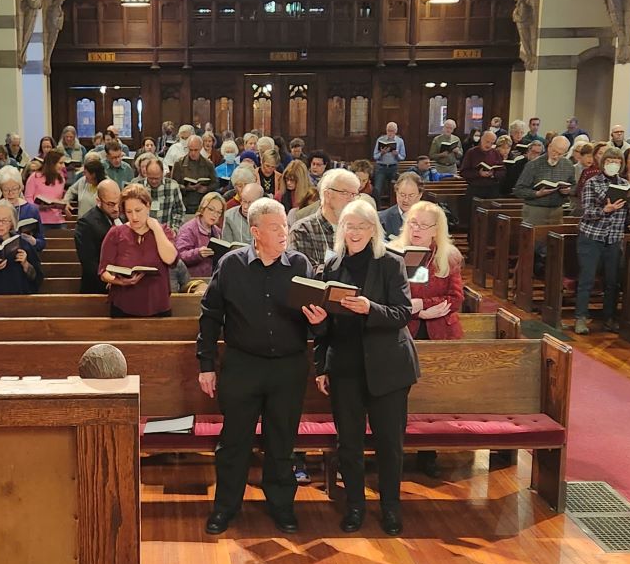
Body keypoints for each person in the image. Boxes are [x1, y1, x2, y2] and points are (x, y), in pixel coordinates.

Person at [197, 198, 323, 535]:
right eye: (276, 227)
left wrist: (320, 321)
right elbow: (210, 317)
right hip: (243, 367)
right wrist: (206, 364)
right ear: (255, 232)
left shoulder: (300, 265)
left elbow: (317, 325)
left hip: (287, 368)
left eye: (285, 225)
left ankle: (281, 507)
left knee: (281, 442)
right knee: (234, 443)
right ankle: (225, 508)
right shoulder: (232, 265)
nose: (285, 232)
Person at [312, 199, 418, 535]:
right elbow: (325, 328)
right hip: (345, 367)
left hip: (388, 367)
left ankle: (390, 508)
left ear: (373, 230)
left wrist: (369, 308)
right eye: (348, 225)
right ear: (340, 229)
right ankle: (355, 506)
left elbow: (402, 313)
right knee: (349, 444)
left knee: (389, 444)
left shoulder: (390, 263)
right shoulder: (331, 266)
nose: (354, 232)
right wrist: (320, 362)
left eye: (361, 226)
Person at [392, 199, 463, 476]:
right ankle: (396, 447)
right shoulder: (394, 253)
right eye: (413, 223)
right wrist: (419, 310)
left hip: (438, 333)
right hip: (404, 331)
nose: (417, 229)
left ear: (436, 230)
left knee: (431, 393)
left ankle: (428, 452)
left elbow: (455, 298)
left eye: (424, 225)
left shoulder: (449, 256)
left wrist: (425, 306)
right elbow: (392, 296)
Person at [574, 147, 630, 335]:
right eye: (610, 161)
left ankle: (609, 318)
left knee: (612, 282)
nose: (614, 165)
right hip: (592, 237)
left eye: (617, 162)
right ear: (603, 163)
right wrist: (605, 210)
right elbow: (586, 211)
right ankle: (580, 317)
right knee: (587, 279)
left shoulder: (624, 184)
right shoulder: (592, 182)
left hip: (614, 238)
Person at [98, 183, 177, 317]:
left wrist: (156, 228)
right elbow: (103, 271)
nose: (134, 217)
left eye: (138, 210)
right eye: (129, 212)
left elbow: (170, 259)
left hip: (157, 305)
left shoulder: (163, 231)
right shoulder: (116, 233)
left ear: (148, 206)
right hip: (124, 306)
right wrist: (119, 281)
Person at [289, 168, 360, 267]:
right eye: (345, 193)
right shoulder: (303, 230)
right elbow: (304, 274)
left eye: (354, 194)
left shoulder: (359, 230)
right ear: (327, 195)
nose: (351, 200)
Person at [513, 136, 575, 224]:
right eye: (554, 151)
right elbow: (519, 190)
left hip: (557, 211)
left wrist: (569, 190)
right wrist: (537, 193)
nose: (556, 156)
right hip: (535, 211)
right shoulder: (533, 165)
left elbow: (574, 186)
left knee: (555, 237)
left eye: (560, 154)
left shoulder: (568, 165)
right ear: (549, 147)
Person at [74, 179, 122, 293]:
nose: (116, 208)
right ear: (98, 201)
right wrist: (110, 279)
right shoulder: (86, 224)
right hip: (98, 287)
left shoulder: (122, 216)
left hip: (121, 285)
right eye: (110, 204)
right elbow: (90, 263)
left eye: (118, 202)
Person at [0, 200, 43, 294]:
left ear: (12, 223)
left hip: (18, 297)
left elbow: (37, 278)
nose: (0, 224)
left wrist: (25, 264)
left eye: (5, 220)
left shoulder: (24, 244)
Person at [175, 192, 225, 278]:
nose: (215, 215)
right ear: (202, 208)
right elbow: (179, 256)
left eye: (219, 212)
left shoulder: (217, 231)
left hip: (212, 277)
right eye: (211, 209)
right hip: (191, 279)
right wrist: (197, 253)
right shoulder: (188, 229)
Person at [0, 166, 45, 252]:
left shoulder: (31, 210)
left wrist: (33, 241)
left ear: (20, 188)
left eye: (14, 189)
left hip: (26, 257)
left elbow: (41, 243)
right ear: (1, 189)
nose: (11, 193)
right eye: (6, 190)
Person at [459, 131, 501, 226]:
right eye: (487, 141)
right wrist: (479, 173)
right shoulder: (471, 152)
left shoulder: (495, 153)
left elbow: (502, 171)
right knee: (473, 219)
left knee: (491, 219)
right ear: (481, 139)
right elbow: (464, 172)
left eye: (492, 142)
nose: (489, 144)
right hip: (475, 189)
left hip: (491, 190)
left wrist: (493, 173)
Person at [172, 135, 218, 214]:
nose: (193, 153)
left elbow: (216, 183)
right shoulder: (179, 163)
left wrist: (206, 188)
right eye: (191, 150)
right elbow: (173, 184)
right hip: (184, 202)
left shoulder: (208, 164)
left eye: (196, 150)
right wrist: (186, 188)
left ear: (201, 148)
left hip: (202, 202)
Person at [24, 148, 68, 228]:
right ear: (52, 163)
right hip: (40, 220)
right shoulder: (34, 177)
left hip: (58, 220)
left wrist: (64, 205)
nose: (63, 166)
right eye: (60, 163)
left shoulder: (61, 178)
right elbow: (28, 198)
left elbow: (58, 199)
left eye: (63, 163)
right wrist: (39, 207)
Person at [141, 158, 185, 231]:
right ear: (146, 174)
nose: (154, 181)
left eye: (157, 178)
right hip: (143, 232)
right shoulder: (139, 187)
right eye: (150, 178)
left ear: (162, 174)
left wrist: (174, 230)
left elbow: (179, 211)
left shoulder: (173, 186)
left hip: (166, 233)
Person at [378, 172, 423, 238]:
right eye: (402, 195)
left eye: (411, 195)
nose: (406, 200)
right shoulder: (383, 218)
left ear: (419, 195)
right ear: (396, 192)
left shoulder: (430, 218)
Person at [372, 122, 406, 204]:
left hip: (393, 167)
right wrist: (382, 153)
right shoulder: (380, 140)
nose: (390, 133)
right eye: (388, 131)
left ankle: (393, 206)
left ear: (396, 131)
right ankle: (377, 207)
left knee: (395, 189)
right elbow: (375, 156)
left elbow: (403, 157)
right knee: (377, 189)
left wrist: (397, 155)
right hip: (381, 167)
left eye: (392, 131)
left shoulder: (400, 141)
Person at [64, 153, 105, 218]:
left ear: (93, 174)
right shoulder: (82, 181)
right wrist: (66, 202)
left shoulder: (107, 184)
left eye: (86, 172)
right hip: (82, 222)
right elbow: (71, 190)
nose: (84, 174)